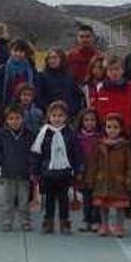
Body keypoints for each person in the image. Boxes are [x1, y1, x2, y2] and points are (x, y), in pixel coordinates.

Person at [31, 101, 83, 235]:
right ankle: (48, 222)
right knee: (49, 199)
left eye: (60, 115)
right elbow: (38, 153)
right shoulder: (43, 133)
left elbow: (76, 152)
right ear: (49, 116)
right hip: (48, 171)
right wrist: (35, 171)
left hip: (64, 171)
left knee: (63, 199)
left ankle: (64, 222)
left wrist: (78, 169)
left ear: (66, 117)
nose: (57, 118)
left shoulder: (70, 133)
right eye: (54, 115)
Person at [86, 113, 131, 237]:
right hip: (102, 179)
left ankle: (119, 226)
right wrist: (90, 178)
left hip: (119, 180)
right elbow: (93, 164)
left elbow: (130, 165)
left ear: (121, 129)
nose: (112, 130)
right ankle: (104, 225)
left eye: (115, 127)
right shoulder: (99, 145)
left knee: (120, 205)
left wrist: (130, 179)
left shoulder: (125, 146)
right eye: (109, 127)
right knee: (103, 205)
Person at [0, 104, 34, 232]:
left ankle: (25, 221)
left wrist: (31, 163)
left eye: (17, 118)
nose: (15, 121)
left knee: (24, 200)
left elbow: (34, 151)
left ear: (23, 118)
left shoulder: (28, 134)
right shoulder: (1, 134)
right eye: (11, 118)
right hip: (7, 172)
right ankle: (7, 221)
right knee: (7, 200)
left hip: (24, 172)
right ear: (6, 120)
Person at [92, 55, 131, 138]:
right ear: (106, 72)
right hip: (105, 133)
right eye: (110, 70)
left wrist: (130, 126)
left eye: (117, 69)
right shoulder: (100, 88)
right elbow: (95, 109)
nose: (114, 72)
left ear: (123, 70)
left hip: (126, 133)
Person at [75, 109, 102, 232]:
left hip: (97, 171)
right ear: (81, 121)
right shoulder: (77, 137)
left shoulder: (100, 137)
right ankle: (86, 219)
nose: (89, 123)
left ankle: (97, 220)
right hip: (83, 171)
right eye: (86, 120)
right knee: (86, 198)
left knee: (96, 197)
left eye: (92, 120)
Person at [36, 48, 82, 118]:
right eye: (49, 58)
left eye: (55, 58)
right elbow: (39, 97)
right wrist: (49, 110)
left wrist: (73, 110)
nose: (52, 61)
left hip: (69, 115)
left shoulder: (70, 76)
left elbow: (76, 96)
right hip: (50, 115)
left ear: (62, 59)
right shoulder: (42, 76)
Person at [0, 39, 37, 108]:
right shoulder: (2, 70)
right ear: (10, 51)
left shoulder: (31, 70)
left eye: (21, 51)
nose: (18, 54)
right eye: (15, 51)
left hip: (27, 106)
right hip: (8, 106)